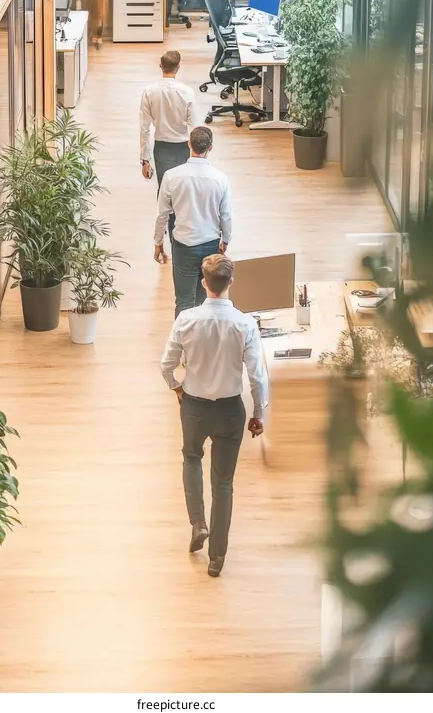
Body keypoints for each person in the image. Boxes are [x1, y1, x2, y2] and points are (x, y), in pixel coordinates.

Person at [160, 253, 268, 577]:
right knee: (223, 483)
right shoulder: (245, 324)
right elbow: (257, 377)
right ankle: (216, 558)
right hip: (229, 410)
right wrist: (258, 413)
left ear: (203, 283)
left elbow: (166, 364)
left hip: (194, 406)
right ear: (231, 283)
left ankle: (198, 523)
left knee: (191, 458)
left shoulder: (186, 320)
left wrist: (176, 388)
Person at [154, 125, 232, 317]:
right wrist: (226, 240)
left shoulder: (171, 176)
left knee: (183, 302)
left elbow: (162, 214)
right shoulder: (220, 179)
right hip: (210, 244)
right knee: (206, 301)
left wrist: (158, 242)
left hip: (183, 246)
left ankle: (183, 342)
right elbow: (226, 215)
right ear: (210, 148)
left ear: (189, 144)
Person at [140, 49, 195, 240]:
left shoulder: (149, 92)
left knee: (164, 188)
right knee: (183, 187)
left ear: (160, 66)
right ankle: (179, 228)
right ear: (178, 68)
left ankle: (162, 229)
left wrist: (144, 159)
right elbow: (193, 125)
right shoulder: (187, 92)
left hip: (161, 146)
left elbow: (145, 129)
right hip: (183, 147)